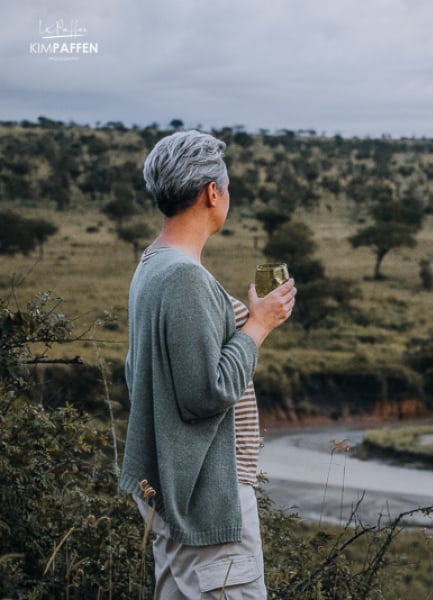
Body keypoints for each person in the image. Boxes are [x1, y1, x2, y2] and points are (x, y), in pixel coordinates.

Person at [119, 130, 296, 598]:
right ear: (211, 193)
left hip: (178, 491)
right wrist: (258, 327)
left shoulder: (152, 264)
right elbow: (204, 392)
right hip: (206, 499)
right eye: (228, 187)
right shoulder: (184, 277)